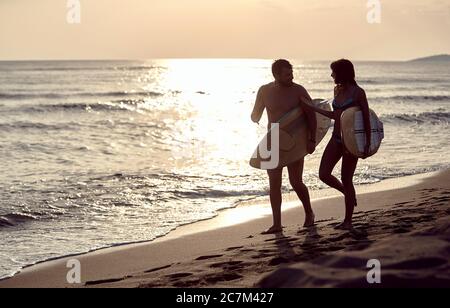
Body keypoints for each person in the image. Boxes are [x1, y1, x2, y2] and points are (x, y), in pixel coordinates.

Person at [251, 59, 317, 234]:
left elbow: (311, 116)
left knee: (295, 181)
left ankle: (309, 213)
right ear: (276, 75)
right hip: (273, 141)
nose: (291, 77)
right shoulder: (264, 91)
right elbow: (256, 113)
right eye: (287, 74)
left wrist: (312, 140)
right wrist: (255, 116)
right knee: (274, 184)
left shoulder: (298, 90)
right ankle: (277, 224)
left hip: (295, 142)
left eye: (292, 73)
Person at [306, 59, 371, 230]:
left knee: (347, 179)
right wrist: (313, 109)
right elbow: (336, 115)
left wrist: (367, 144)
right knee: (324, 174)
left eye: (333, 72)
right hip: (336, 140)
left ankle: (348, 221)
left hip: (351, 143)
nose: (331, 75)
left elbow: (366, 118)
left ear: (342, 73)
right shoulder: (337, 90)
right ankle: (345, 192)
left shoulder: (358, 93)